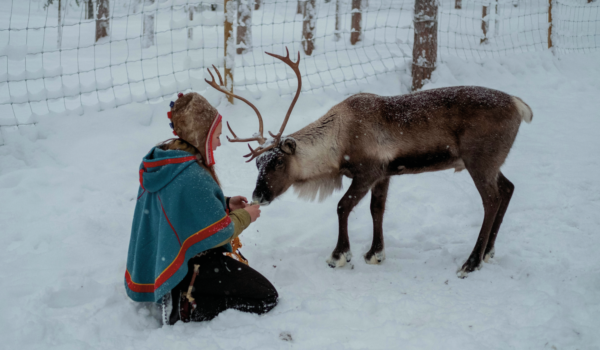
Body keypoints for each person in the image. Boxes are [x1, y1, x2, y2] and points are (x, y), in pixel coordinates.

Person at [124, 92, 278, 325]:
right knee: (266, 296)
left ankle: (181, 289)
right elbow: (221, 232)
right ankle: (189, 305)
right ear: (201, 135)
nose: (218, 142)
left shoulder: (165, 161)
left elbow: (180, 205)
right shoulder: (193, 175)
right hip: (193, 264)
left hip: (164, 258)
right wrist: (246, 216)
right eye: (215, 135)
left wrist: (225, 203)